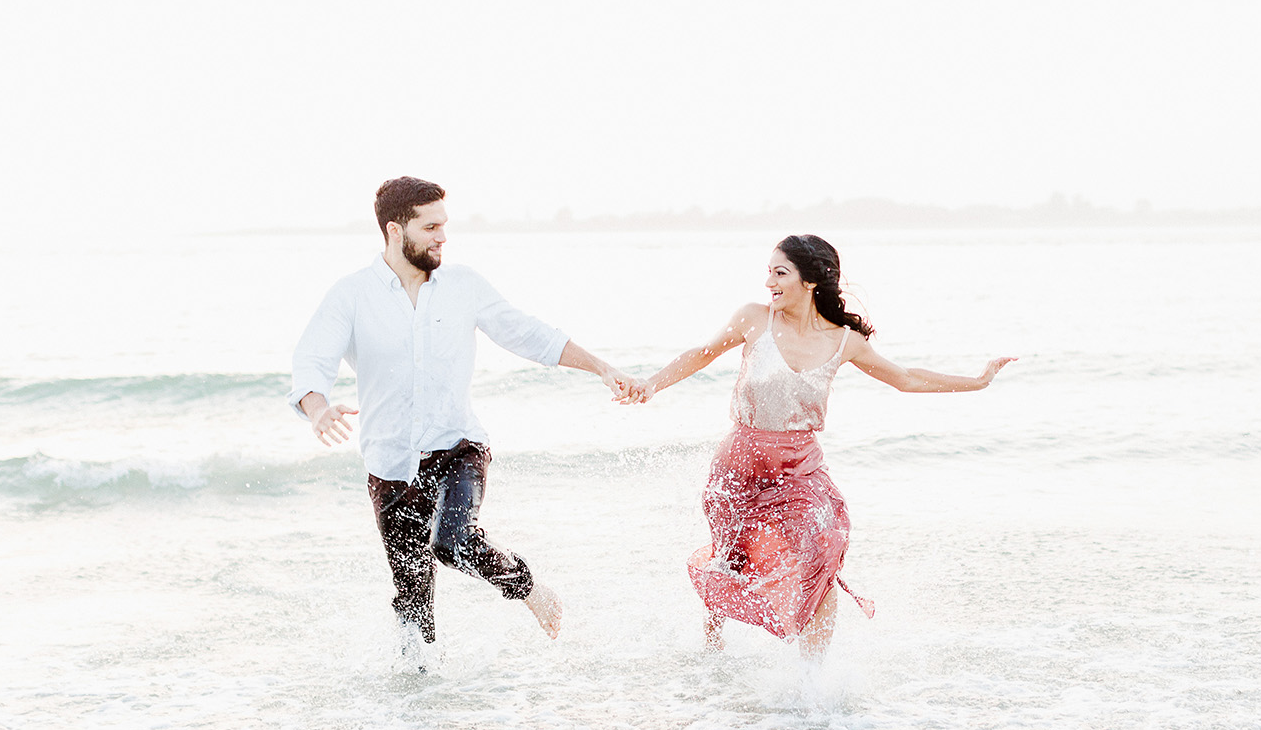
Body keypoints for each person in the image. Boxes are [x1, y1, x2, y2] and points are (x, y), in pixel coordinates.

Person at [625, 235, 1015, 660]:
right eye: (768, 272)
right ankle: (711, 659)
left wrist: (976, 381)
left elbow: (906, 378)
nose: (769, 282)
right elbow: (699, 354)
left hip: (799, 469)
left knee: (823, 548)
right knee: (730, 563)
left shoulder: (844, 341)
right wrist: (650, 385)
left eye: (780, 273)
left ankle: (812, 683)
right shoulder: (753, 319)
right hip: (738, 465)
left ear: (809, 281)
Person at [289, 176, 631, 647]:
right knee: (414, 604)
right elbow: (312, 360)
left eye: (444, 225)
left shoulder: (463, 286)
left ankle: (531, 591)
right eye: (430, 227)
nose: (442, 237)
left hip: (459, 447)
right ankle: (419, 705)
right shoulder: (351, 295)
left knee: (455, 542)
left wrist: (601, 368)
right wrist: (317, 408)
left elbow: (527, 333)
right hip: (390, 466)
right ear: (395, 230)